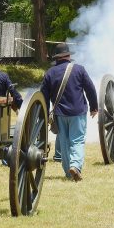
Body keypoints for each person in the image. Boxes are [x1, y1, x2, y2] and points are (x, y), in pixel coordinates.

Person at [40, 43, 98, 181]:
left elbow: (43, 96)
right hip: (77, 112)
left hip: (59, 113)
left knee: (65, 143)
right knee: (77, 140)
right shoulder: (79, 70)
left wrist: (46, 113)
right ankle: (75, 166)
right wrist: (94, 107)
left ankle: (68, 173)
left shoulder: (50, 73)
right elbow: (90, 89)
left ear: (57, 57)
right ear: (69, 55)